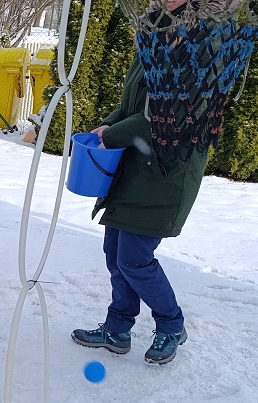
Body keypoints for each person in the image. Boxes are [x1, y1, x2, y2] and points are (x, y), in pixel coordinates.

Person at [71, 0, 206, 365]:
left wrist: (114, 134)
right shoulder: (154, 34)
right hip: (135, 167)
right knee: (115, 253)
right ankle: (117, 328)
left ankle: (171, 326)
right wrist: (107, 123)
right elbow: (135, 104)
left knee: (134, 259)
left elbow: (169, 115)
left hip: (164, 174)